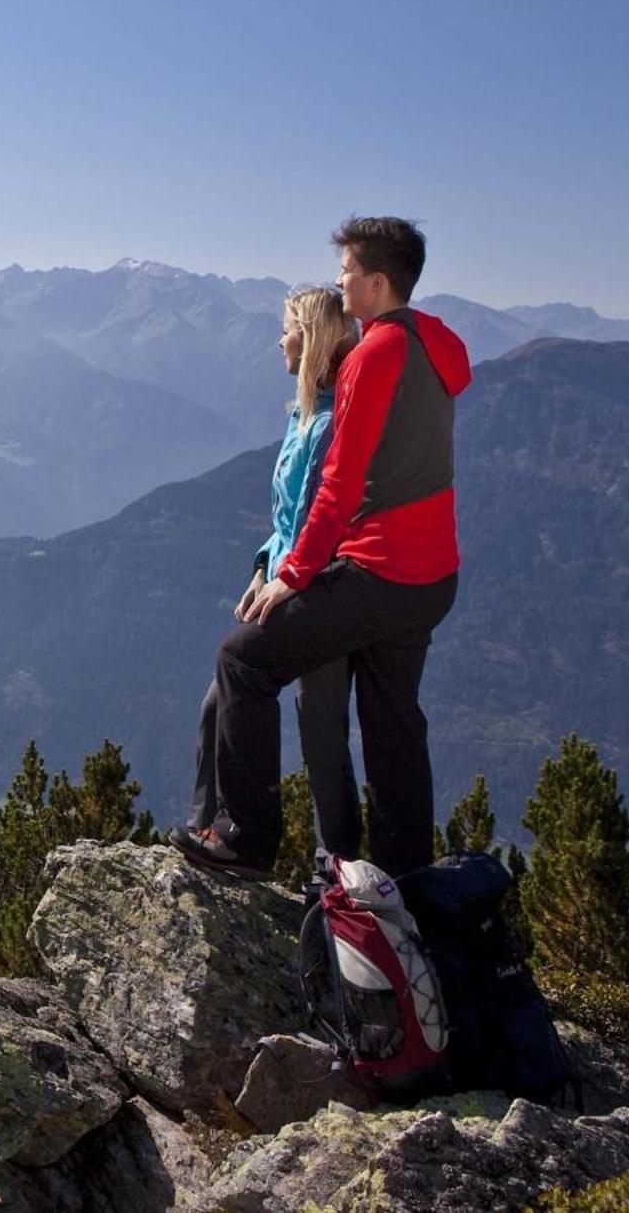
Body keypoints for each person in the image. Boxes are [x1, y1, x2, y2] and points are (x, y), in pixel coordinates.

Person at [175, 216, 470, 881]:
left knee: (242, 662)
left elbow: (340, 481)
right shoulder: (437, 341)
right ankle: (404, 881)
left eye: (346, 274)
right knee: (393, 724)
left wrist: (292, 576)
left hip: (379, 569)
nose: (340, 284)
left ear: (375, 281)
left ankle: (245, 838)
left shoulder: (374, 355)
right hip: (433, 576)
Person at [189, 285, 362, 868]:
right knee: (222, 702)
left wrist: (282, 576)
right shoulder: (306, 414)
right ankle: (209, 828)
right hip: (288, 576)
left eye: (287, 328)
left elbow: (322, 515)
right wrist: (264, 564)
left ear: (310, 339)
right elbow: (288, 520)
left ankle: (332, 863)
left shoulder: (331, 421)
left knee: (321, 726)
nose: (279, 340)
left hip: (319, 585)